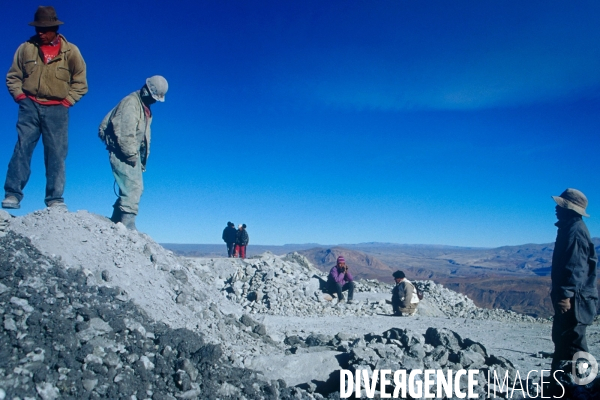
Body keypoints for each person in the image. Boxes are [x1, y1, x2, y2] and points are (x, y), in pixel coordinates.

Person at [2, 6, 88, 210]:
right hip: (30, 105)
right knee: (22, 149)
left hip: (57, 109)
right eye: (38, 28)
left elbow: (81, 83)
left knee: (56, 154)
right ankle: (12, 195)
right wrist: (21, 97)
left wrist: (67, 101)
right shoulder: (26, 48)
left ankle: (54, 199)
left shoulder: (71, 51)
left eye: (45, 28)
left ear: (55, 28)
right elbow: (13, 76)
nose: (40, 32)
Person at [98, 76, 168, 230]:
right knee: (133, 187)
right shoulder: (131, 103)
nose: (155, 101)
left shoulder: (144, 107)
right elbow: (125, 132)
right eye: (153, 97)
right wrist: (131, 155)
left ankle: (117, 220)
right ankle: (127, 224)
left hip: (131, 152)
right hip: (122, 151)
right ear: (146, 90)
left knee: (134, 187)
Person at [550, 188, 598, 375]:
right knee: (565, 341)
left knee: (573, 345)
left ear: (570, 209)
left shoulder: (575, 231)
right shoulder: (570, 228)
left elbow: (575, 267)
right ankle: (562, 386)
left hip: (576, 302)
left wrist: (565, 295)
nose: (556, 208)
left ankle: (579, 388)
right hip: (576, 299)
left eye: (561, 205)